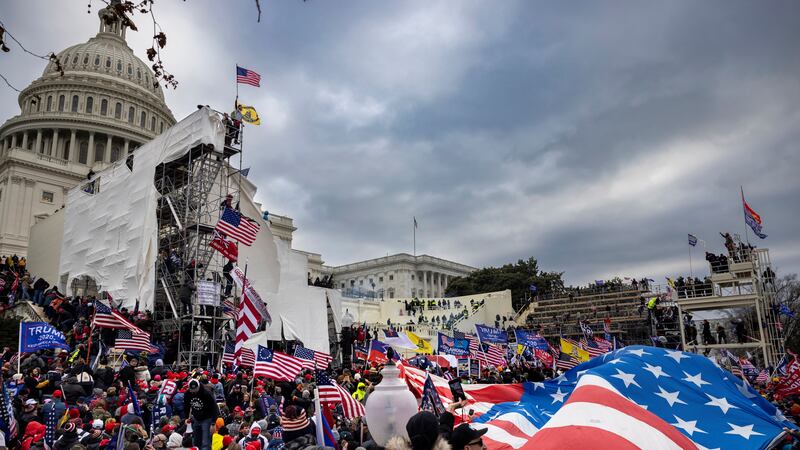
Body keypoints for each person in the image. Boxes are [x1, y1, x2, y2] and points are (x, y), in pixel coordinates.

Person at [184, 378, 220, 450]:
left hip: (207, 418)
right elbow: (186, 406)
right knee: (196, 441)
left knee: (206, 442)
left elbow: (214, 407)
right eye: (192, 390)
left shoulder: (206, 393)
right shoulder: (187, 394)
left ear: (199, 387)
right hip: (196, 417)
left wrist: (213, 423)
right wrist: (186, 417)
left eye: (195, 390)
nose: (194, 392)